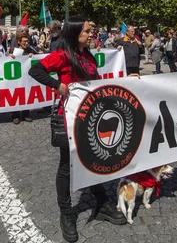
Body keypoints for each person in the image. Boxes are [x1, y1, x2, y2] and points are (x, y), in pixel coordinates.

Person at [28, 16, 126, 242]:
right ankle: (66, 213)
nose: (92, 34)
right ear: (74, 33)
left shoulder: (88, 55)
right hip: (70, 120)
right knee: (67, 166)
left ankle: (101, 204)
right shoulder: (62, 55)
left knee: (94, 160)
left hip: (91, 119)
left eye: (92, 30)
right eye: (88, 31)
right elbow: (36, 71)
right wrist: (57, 85)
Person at [9, 30, 42, 123]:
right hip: (16, 78)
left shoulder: (30, 50)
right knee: (15, 95)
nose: (26, 43)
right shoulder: (14, 50)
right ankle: (15, 115)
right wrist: (10, 57)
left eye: (27, 41)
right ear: (19, 42)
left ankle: (25, 114)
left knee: (26, 94)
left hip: (27, 77)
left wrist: (32, 55)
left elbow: (38, 56)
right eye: (24, 41)